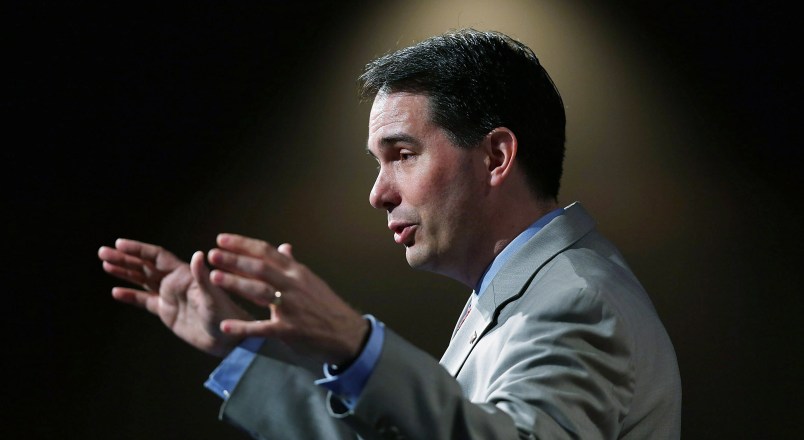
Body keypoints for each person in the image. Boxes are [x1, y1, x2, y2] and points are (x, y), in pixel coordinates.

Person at [98, 29, 681, 439]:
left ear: (497, 157)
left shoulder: (577, 299)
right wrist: (238, 350)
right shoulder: (527, 294)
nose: (379, 194)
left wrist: (357, 346)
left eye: (401, 154)